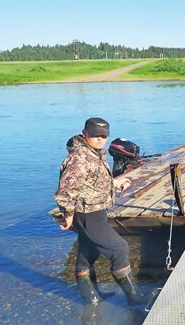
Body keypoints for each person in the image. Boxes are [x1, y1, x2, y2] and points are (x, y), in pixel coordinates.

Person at [55, 117, 144, 307]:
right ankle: (134, 299)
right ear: (85, 133)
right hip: (86, 213)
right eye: (95, 135)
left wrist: (115, 183)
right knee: (119, 248)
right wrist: (68, 215)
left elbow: (91, 180)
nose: (100, 139)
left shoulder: (93, 153)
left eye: (104, 135)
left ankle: (91, 299)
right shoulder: (79, 158)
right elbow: (65, 191)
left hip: (95, 210)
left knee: (88, 251)